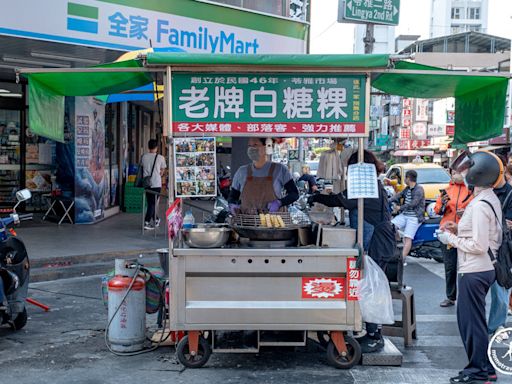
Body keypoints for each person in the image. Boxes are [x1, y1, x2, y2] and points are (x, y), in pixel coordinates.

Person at [308, 150, 396, 353]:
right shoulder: (372, 183)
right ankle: (370, 330)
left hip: (377, 243)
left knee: (371, 289)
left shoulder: (366, 186)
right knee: (368, 286)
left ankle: (375, 336)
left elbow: (341, 200)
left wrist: (317, 197)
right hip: (377, 241)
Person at [437, 150, 503, 384]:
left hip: (474, 270)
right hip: (481, 269)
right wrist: (458, 229)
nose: (461, 175)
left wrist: (450, 240)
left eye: (465, 171)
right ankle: (485, 369)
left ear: (477, 174)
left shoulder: (479, 206)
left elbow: (478, 244)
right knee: (475, 321)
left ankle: (478, 372)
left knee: (470, 323)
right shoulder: (488, 198)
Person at [228, 138, 299, 214]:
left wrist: (280, 203)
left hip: (273, 221)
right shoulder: (241, 171)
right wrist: (232, 204)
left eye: (255, 145)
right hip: (246, 221)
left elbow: (294, 194)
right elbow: (232, 196)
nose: (252, 149)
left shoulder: (280, 169)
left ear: (267, 147)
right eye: (249, 146)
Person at [434, 168, 473, 307]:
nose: (455, 175)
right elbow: (438, 210)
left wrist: (466, 212)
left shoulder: (471, 190)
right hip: (448, 233)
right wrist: (443, 204)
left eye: (458, 172)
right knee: (450, 266)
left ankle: (465, 296)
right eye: (454, 172)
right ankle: (450, 297)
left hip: (465, 233)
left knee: (466, 267)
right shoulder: (446, 190)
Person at [487, 155, 512, 337]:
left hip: (504, 249)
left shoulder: (510, 193)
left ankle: (495, 326)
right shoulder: (484, 192)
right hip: (483, 246)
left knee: (501, 289)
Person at [389, 170, 425, 262]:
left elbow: (414, 203)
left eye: (405, 177)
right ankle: (398, 240)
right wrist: (387, 200)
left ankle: (401, 259)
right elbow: (398, 195)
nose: (404, 179)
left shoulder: (419, 189)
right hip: (405, 215)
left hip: (414, 217)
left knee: (407, 238)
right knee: (390, 226)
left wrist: (400, 207)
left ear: (408, 178)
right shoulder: (407, 188)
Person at [141, 139, 166, 230]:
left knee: (150, 203)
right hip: (156, 183)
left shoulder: (144, 157)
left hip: (146, 183)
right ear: (156, 147)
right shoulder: (161, 158)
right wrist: (159, 173)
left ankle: (156, 219)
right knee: (152, 204)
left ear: (148, 147)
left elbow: (142, 167)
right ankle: (147, 222)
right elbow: (162, 171)